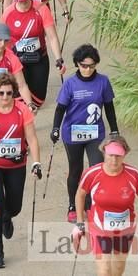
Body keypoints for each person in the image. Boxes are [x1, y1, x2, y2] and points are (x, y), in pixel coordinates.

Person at [0, 72, 41, 268]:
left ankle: (7, 217)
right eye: (1, 93)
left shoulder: (22, 110)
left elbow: (32, 139)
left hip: (16, 165)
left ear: (14, 93)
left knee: (15, 206)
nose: (5, 97)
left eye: (9, 93)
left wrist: (36, 163)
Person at [50, 44, 119, 223]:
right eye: (83, 65)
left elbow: (109, 107)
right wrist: (55, 128)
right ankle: (73, 205)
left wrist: (115, 130)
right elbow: (60, 109)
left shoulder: (103, 81)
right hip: (73, 133)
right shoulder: (71, 84)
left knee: (96, 168)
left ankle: (89, 203)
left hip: (95, 133)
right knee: (76, 169)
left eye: (91, 66)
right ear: (77, 64)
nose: (87, 69)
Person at [72, 136, 138, 276]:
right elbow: (80, 194)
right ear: (104, 153)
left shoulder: (133, 174)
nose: (114, 160)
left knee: (117, 269)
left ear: (124, 155)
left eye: (118, 156)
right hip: (99, 228)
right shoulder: (92, 173)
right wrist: (80, 222)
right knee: (104, 271)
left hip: (124, 229)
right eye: (110, 155)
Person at [1, 0, 66, 107]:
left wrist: (59, 59)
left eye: (26, 1)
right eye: (20, 1)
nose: (24, 4)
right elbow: (2, 40)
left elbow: (52, 36)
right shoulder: (8, 13)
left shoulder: (41, 9)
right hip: (17, 59)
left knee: (38, 100)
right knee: (21, 99)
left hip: (39, 57)